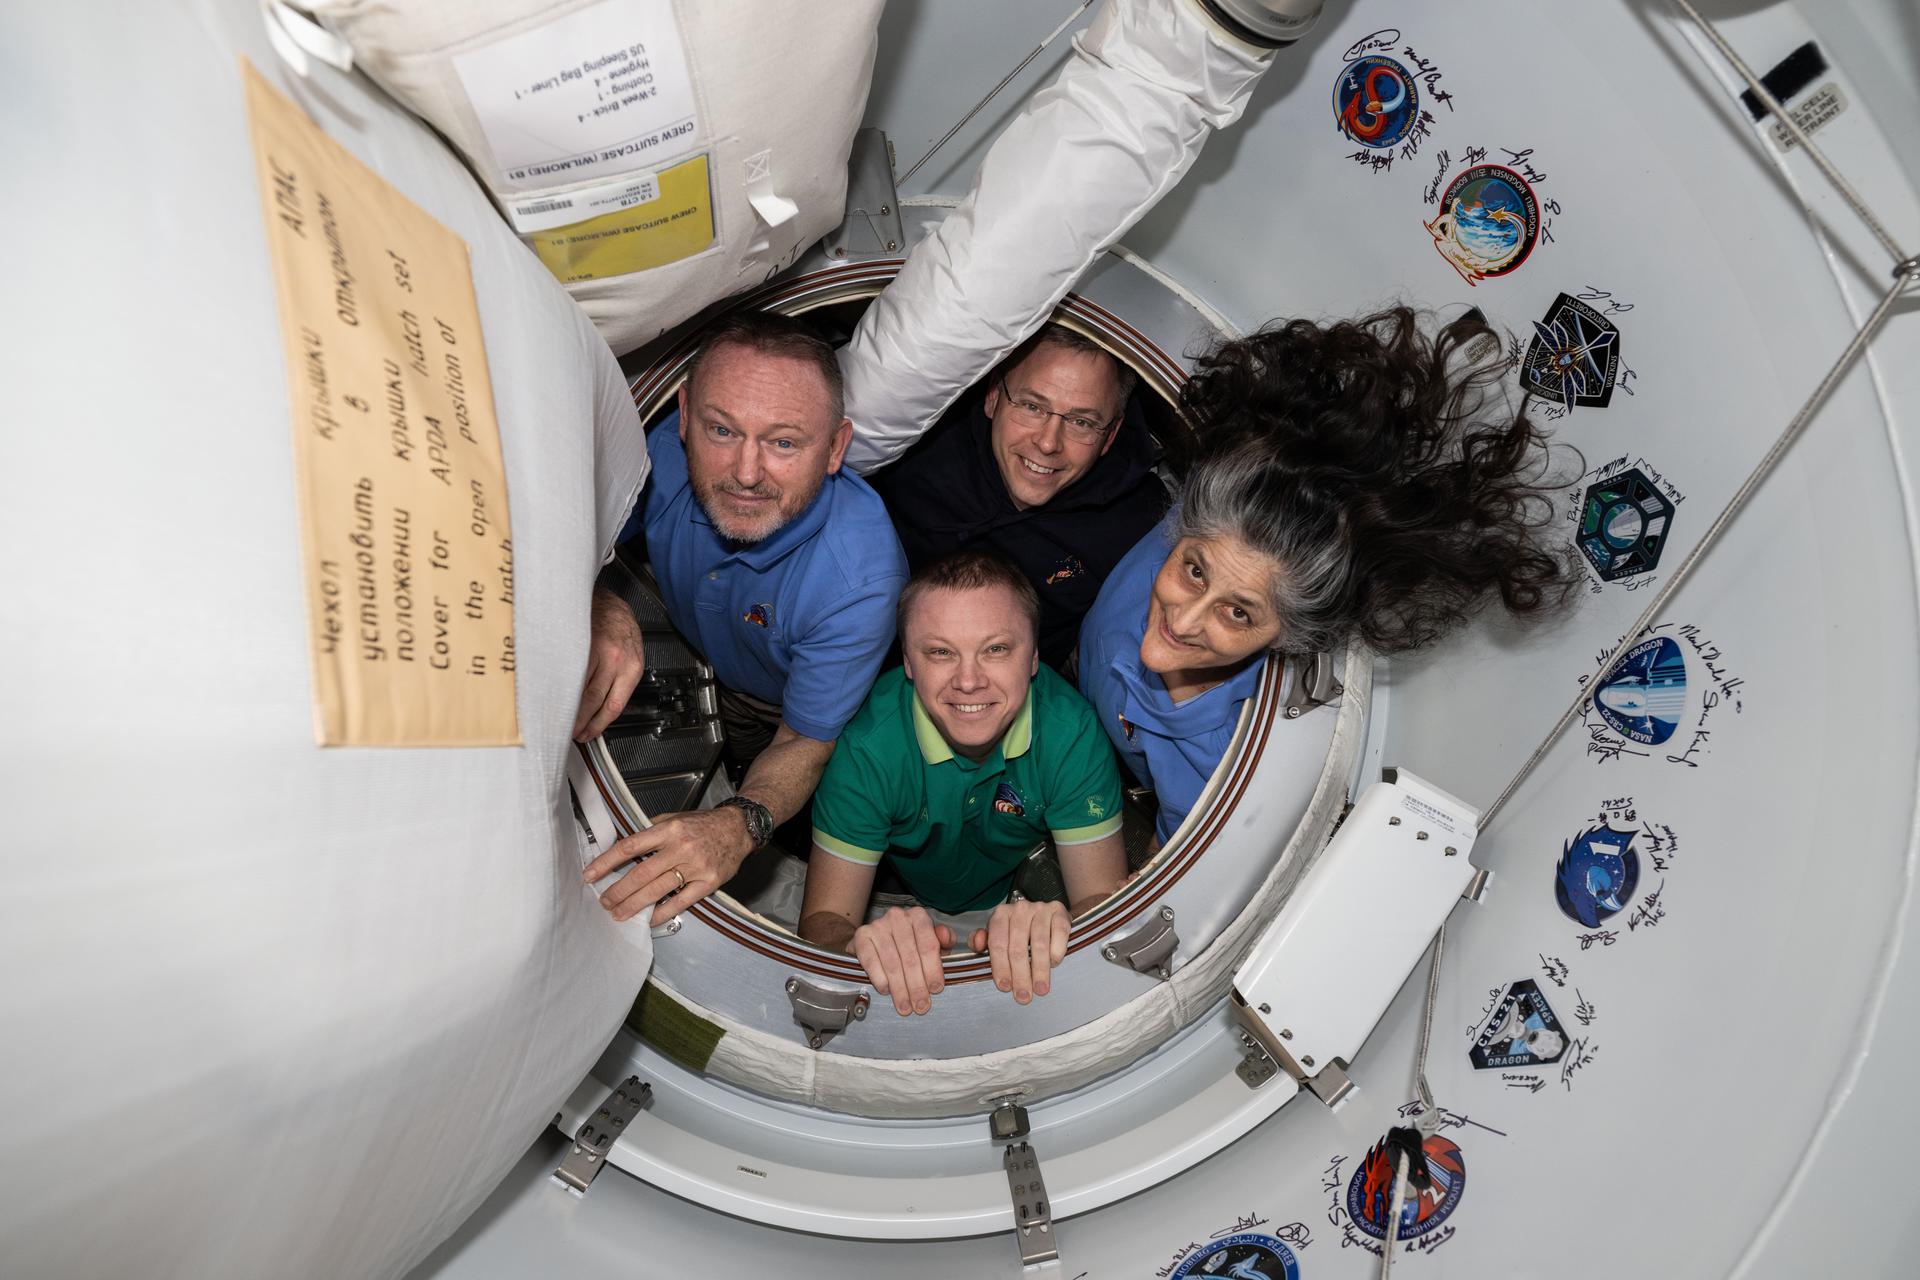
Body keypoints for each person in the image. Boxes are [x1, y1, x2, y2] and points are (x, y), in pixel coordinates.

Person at [1080, 307, 1577, 848]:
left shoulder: (1221, 767)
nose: (1183, 620)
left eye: (1239, 612)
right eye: (1195, 572)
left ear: (1289, 637)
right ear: (1181, 530)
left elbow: (1170, 854)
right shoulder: (1214, 526)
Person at [581, 312, 909, 925]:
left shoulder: (858, 582)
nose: (746, 473)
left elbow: (805, 739)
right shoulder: (659, 457)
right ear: (684, 415)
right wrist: (601, 595)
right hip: (706, 658)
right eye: (722, 430)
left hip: (781, 706)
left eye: (784, 442)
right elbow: (582, 523)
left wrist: (738, 823)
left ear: (836, 448)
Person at [799, 552, 1129, 1016]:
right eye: (940, 652)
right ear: (908, 663)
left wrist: (1064, 926)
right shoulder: (868, 748)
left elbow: (1101, 901)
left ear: (1034, 657)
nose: (968, 681)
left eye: (996, 649)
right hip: (899, 899)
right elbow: (823, 921)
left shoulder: (1071, 733)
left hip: (1017, 894)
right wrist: (855, 946)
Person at [869, 324, 1167, 672]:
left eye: (1082, 422)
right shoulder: (915, 441)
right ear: (993, 395)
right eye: (1031, 406)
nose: (1048, 443)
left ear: (1111, 435)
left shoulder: (1138, 526)